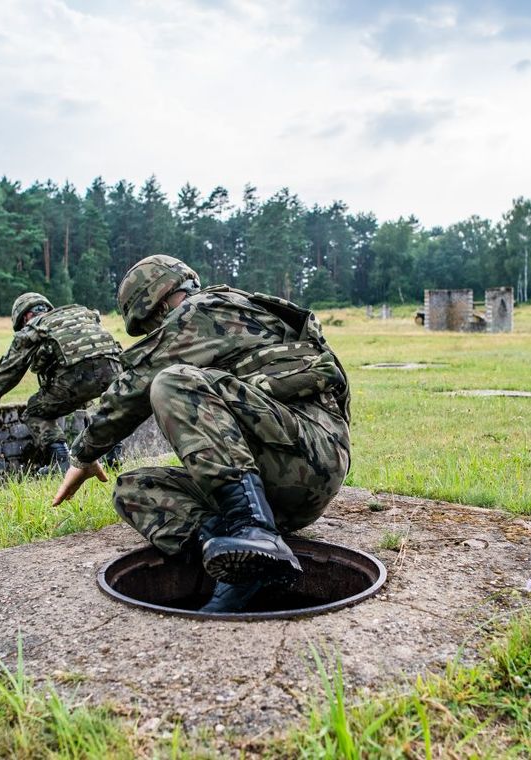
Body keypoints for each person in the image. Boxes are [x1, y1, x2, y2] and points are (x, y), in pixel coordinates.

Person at [51, 255, 351, 614]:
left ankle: (253, 528)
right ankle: (243, 563)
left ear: (160, 304)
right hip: (289, 476)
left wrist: (82, 454)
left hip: (306, 457)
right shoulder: (244, 313)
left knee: (172, 381)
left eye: (150, 327)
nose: (154, 335)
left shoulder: (203, 311)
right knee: (134, 491)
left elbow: (131, 389)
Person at [0, 292, 122, 473]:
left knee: (35, 412)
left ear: (25, 316)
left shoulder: (33, 329)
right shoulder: (81, 314)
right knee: (98, 406)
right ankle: (114, 454)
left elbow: (0, 380)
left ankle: (61, 462)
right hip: (115, 371)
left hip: (74, 379)